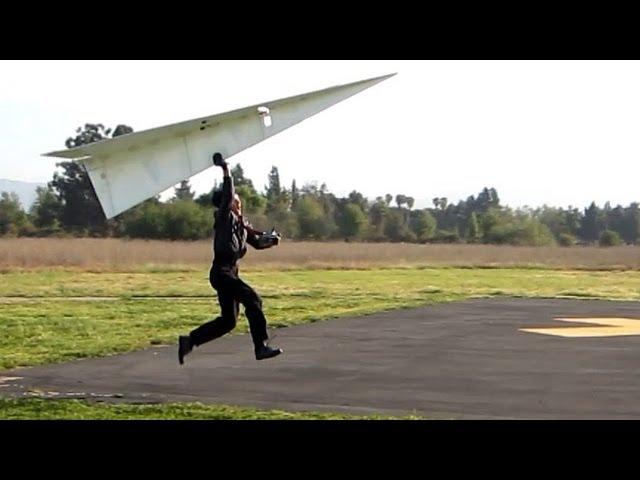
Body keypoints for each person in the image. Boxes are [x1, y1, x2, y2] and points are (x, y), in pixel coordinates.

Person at [178, 153, 283, 364]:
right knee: (254, 300)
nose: (239, 203)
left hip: (229, 272)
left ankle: (190, 341)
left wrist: (272, 240)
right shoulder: (225, 217)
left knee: (229, 321)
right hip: (222, 271)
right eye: (237, 200)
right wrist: (226, 169)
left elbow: (256, 242)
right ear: (230, 203)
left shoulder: (241, 225)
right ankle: (260, 346)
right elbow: (228, 194)